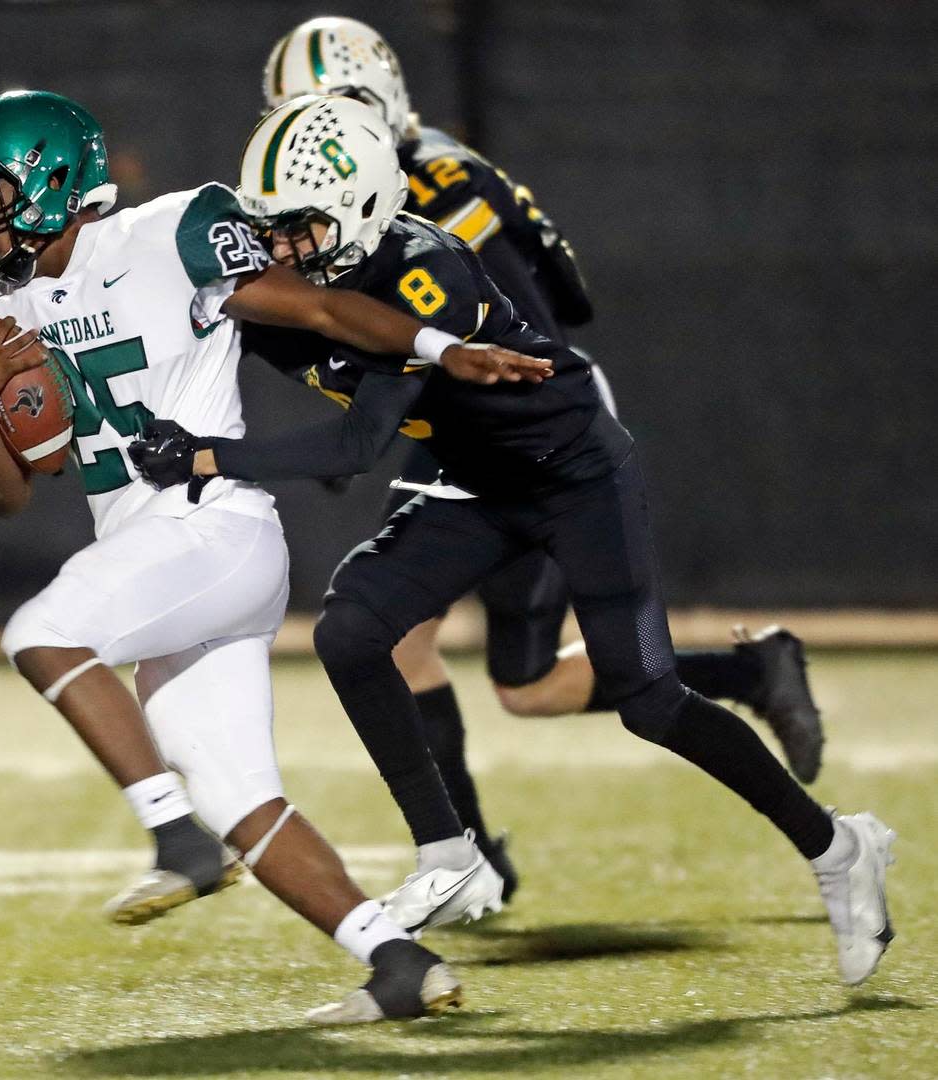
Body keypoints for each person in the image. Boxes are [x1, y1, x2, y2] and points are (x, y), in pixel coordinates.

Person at [130, 95, 895, 986]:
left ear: (360, 206)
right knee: (351, 627)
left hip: (575, 476)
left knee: (649, 700)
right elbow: (203, 334)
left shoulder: (424, 271)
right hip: (477, 487)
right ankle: (448, 850)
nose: (280, 251)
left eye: (297, 229)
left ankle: (840, 847)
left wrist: (204, 459)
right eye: (271, 231)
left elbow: (359, 443)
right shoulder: (295, 286)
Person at [0, 89, 550, 1023]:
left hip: (213, 527)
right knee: (236, 792)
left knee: (43, 633)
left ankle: (172, 837)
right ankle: (397, 964)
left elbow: (320, 310)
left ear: (49, 182)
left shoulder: (171, 229)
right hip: (152, 557)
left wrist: (439, 343)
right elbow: (6, 492)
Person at [259, 16, 825, 901]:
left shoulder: (431, 192)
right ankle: (745, 674)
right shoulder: (428, 172)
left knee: (458, 657)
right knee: (496, 673)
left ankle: (466, 859)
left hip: (521, 430)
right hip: (468, 428)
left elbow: (534, 331)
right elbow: (572, 289)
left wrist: (394, 403)